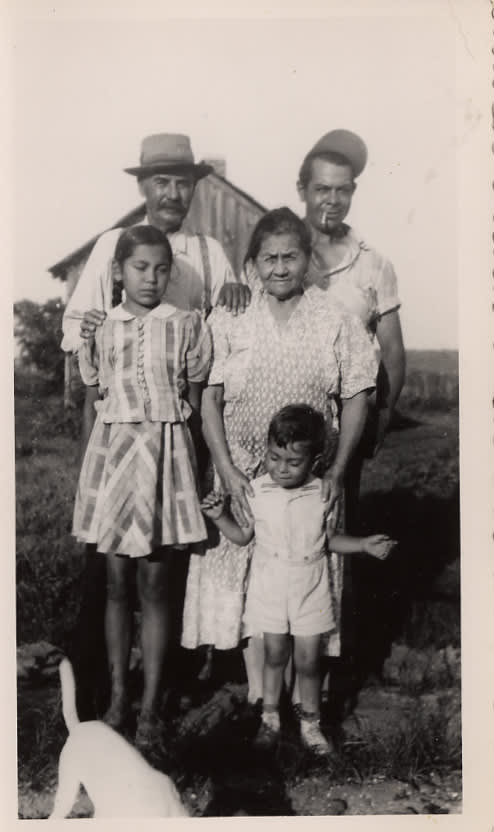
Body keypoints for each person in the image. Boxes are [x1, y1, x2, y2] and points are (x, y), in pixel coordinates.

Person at [63, 133, 248, 717]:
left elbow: (218, 335)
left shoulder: (208, 250)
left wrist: (239, 293)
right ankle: (105, 693)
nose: (171, 193)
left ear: (194, 186)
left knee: (161, 578)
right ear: (142, 187)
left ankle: (159, 695)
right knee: (110, 581)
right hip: (116, 442)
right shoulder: (111, 246)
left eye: (181, 182)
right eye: (160, 182)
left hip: (172, 439)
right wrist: (90, 327)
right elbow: (80, 332)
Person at [181, 207, 378, 709]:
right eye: (268, 258)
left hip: (307, 479)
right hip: (243, 472)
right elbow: (210, 397)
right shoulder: (231, 315)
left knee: (301, 580)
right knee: (251, 586)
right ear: (253, 262)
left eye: (291, 256)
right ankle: (259, 701)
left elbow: (358, 394)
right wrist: (225, 468)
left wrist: (335, 470)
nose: (280, 268)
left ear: (308, 259)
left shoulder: (335, 319)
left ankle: (298, 702)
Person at [73, 225, 211, 751]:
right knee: (115, 588)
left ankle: (152, 705)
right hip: (112, 467)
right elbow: (92, 402)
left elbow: (195, 406)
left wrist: (192, 477)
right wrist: (86, 479)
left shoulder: (187, 326)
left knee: (155, 588)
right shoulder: (100, 330)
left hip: (164, 464)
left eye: (160, 269)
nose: (150, 278)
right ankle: (116, 699)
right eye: (139, 268)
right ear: (118, 272)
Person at [200, 405, 396, 755]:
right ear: (267, 450)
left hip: (311, 586)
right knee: (274, 655)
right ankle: (270, 719)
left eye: (293, 463)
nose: (282, 469)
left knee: (308, 660)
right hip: (271, 584)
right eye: (275, 458)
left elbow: (330, 539)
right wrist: (219, 517)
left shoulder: (323, 493)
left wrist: (364, 545)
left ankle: (311, 723)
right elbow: (243, 536)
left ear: (315, 460)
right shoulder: (256, 491)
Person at [297, 128, 406, 529]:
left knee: (339, 522)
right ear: (302, 189)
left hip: (347, 418)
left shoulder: (374, 263)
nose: (332, 200)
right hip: (282, 410)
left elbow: (393, 352)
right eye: (322, 189)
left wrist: (383, 414)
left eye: (342, 191)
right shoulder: (279, 252)